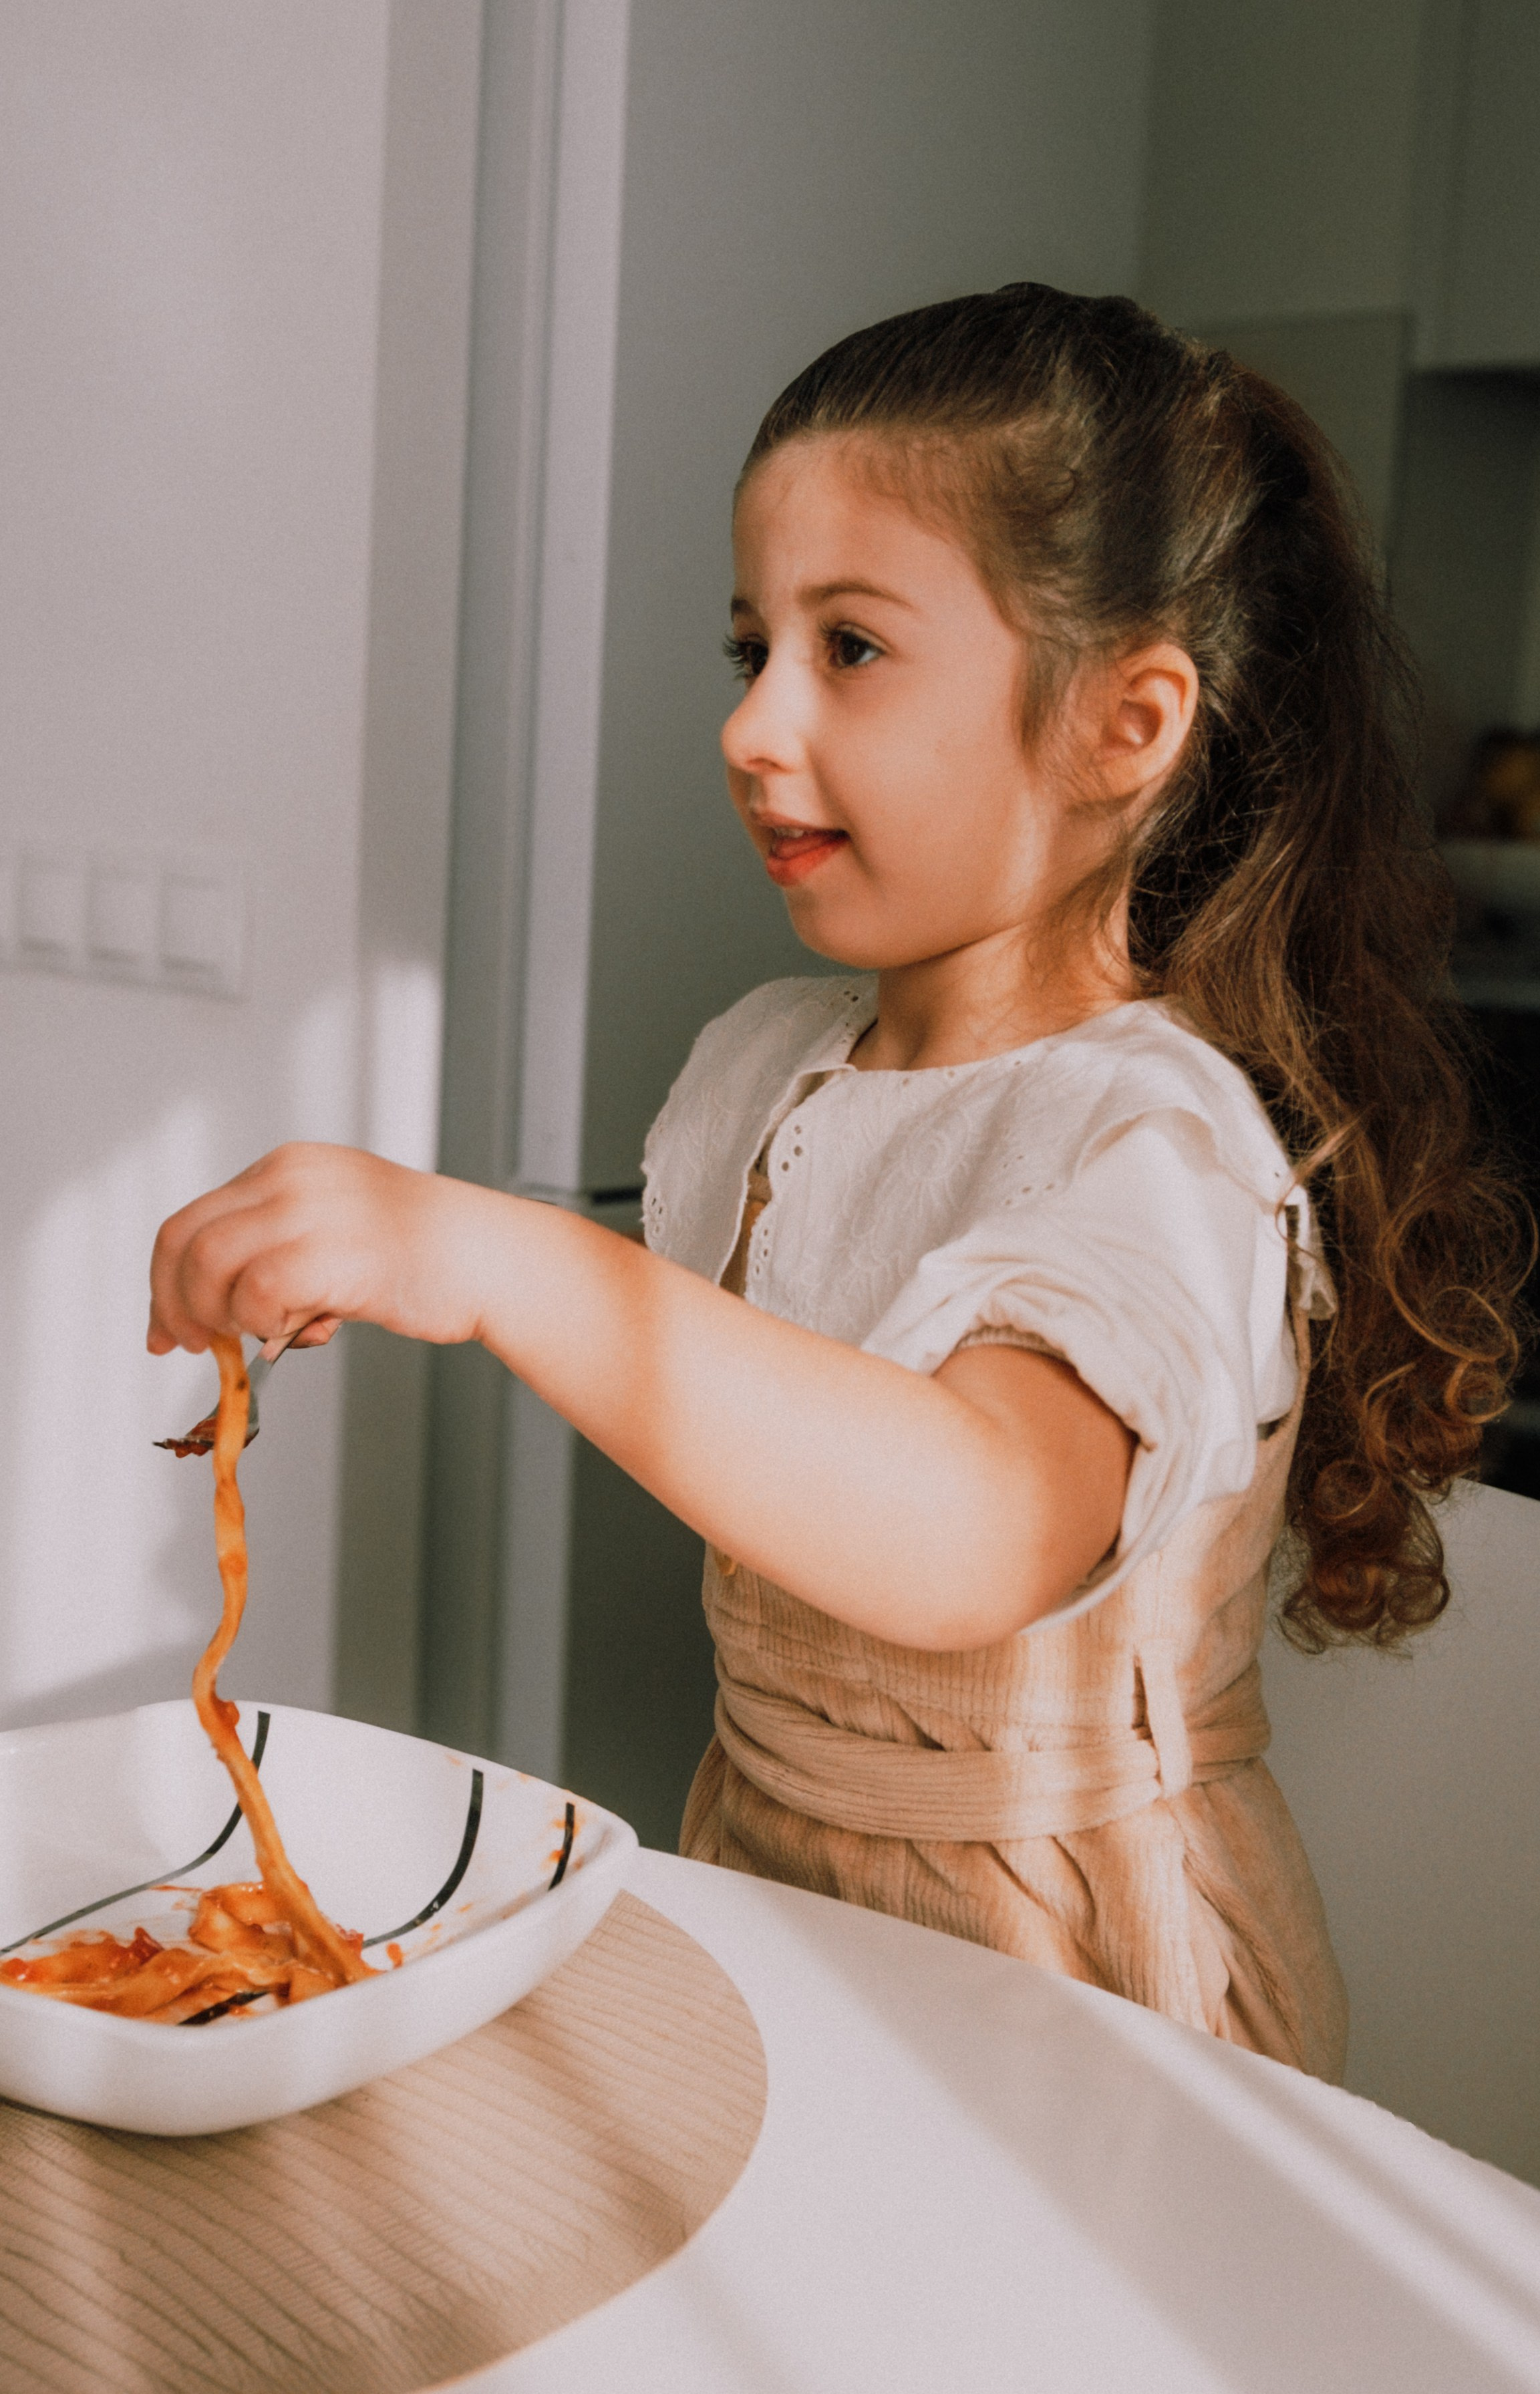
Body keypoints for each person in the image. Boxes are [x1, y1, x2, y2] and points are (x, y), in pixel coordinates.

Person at [149, 283, 1527, 2079]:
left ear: (1123, 726)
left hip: (1083, 2000)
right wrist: (425, 1251)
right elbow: (773, 1359)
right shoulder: (766, 1060)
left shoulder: (1161, 1144)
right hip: (777, 1886)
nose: (750, 723)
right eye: (750, 650)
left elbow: (975, 1532)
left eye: (850, 648)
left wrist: (506, 1266)